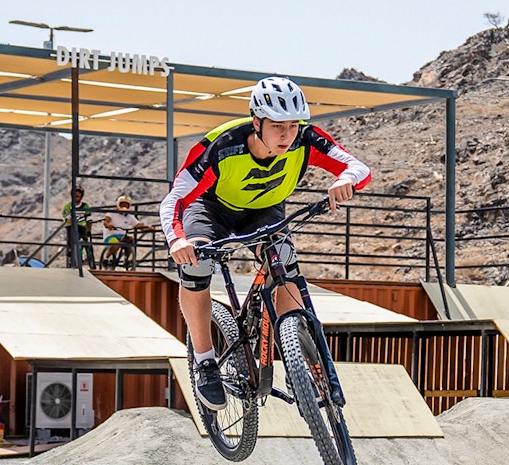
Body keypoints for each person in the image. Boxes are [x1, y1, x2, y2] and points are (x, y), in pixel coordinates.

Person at [159, 76, 371, 410]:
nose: (287, 134)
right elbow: (175, 199)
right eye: (277, 126)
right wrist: (177, 239)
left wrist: (345, 180)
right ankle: (205, 361)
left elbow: (356, 166)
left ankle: (296, 357)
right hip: (211, 209)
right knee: (197, 265)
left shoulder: (306, 140)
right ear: (256, 122)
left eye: (293, 125)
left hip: (264, 211)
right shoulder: (221, 146)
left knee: (283, 259)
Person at [100, 195, 156, 269]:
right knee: (116, 243)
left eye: (126, 205)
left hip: (122, 236)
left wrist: (149, 228)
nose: (124, 206)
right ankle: (106, 258)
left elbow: (139, 226)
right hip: (110, 236)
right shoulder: (111, 213)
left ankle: (126, 259)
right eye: (122, 204)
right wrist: (108, 225)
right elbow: (106, 221)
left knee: (130, 240)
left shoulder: (130, 217)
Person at [61, 186, 95, 269]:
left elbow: (89, 219)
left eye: (79, 194)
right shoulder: (68, 206)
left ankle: (91, 260)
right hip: (71, 227)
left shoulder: (85, 206)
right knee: (71, 239)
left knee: (88, 243)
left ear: (81, 196)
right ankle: (71, 253)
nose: (77, 196)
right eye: (75, 194)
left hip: (82, 227)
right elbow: (67, 219)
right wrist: (73, 223)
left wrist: (88, 230)